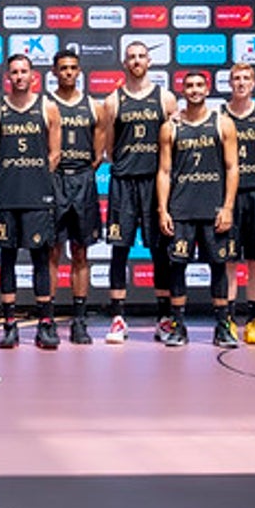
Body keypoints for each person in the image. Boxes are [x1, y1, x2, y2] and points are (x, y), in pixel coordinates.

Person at [101, 41, 178, 343]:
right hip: (123, 183)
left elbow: (172, 144)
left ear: (149, 61)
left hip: (155, 183)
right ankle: (118, 318)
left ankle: (163, 318)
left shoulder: (166, 98)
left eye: (141, 56)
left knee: (161, 251)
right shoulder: (113, 101)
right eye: (131, 57)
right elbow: (108, 148)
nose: (136, 61)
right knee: (119, 250)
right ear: (124, 63)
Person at [0, 54, 62, 349]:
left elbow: (55, 153)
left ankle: (45, 324)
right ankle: (10, 325)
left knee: (41, 259)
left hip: (37, 198)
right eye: (14, 72)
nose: (19, 77)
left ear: (33, 76)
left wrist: (36, 177)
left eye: (24, 72)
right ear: (8, 77)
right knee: (7, 261)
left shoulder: (48, 108)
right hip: (6, 199)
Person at [156, 71, 238, 347]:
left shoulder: (223, 123)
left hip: (213, 209)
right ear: (182, 89)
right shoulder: (170, 127)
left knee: (218, 266)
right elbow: (164, 171)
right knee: (177, 268)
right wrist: (163, 210)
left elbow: (232, 168)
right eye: (189, 85)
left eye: (199, 85)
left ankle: (223, 326)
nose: (194, 90)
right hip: (181, 210)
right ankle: (178, 326)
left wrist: (227, 207)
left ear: (207, 88)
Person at [47, 48, 104, 344]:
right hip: (54, 181)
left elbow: (98, 154)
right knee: (53, 252)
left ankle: (79, 320)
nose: (68, 72)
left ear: (79, 71)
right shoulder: (45, 105)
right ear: (54, 72)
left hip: (82, 179)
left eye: (73, 68)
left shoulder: (94, 106)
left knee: (80, 253)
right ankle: (51, 319)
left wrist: (81, 172)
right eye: (63, 68)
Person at [222, 63, 255, 345]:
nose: (241, 83)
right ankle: (228, 320)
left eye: (246, 78)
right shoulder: (219, 114)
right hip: (228, 198)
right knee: (229, 262)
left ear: (254, 83)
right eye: (236, 78)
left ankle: (253, 322)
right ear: (229, 83)